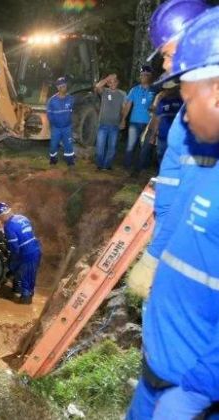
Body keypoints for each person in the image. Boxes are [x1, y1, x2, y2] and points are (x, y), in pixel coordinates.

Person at [126, 8, 219, 419]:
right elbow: (172, 206)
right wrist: (156, 253)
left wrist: (198, 391)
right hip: (161, 368)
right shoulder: (204, 151)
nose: (182, 111)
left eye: (186, 94)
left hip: (194, 386)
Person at [126, 0, 211, 299]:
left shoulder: (204, 119)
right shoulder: (188, 114)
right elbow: (174, 194)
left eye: (167, 54)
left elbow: (191, 199)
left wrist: (154, 256)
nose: (164, 64)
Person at [0, 202, 42, 305]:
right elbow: (24, 233)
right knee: (30, 277)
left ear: (2, 216)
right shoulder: (22, 217)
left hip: (27, 254)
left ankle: (24, 304)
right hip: (36, 249)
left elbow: (14, 248)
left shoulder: (8, 226)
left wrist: (11, 262)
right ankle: (22, 292)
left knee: (25, 280)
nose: (0, 221)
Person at [121, 65, 156, 170]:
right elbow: (127, 105)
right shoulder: (134, 90)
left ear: (150, 76)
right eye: (142, 75)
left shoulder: (154, 90)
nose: (143, 76)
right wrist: (123, 119)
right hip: (134, 122)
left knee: (145, 148)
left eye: (146, 75)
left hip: (148, 124)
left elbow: (158, 107)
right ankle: (126, 167)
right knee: (130, 145)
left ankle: (140, 169)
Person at [94, 73, 127, 170]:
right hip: (103, 124)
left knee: (111, 148)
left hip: (115, 125)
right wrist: (108, 77)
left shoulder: (123, 94)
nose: (112, 83)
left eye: (114, 82)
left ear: (118, 83)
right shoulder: (104, 91)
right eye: (110, 82)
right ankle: (99, 165)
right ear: (108, 83)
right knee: (100, 147)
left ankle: (107, 165)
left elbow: (124, 109)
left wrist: (123, 120)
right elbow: (97, 86)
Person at [46, 77, 76, 166]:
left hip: (67, 127)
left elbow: (73, 111)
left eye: (64, 85)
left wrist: (70, 121)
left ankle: (70, 160)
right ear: (57, 87)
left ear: (66, 86)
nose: (63, 88)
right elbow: (49, 114)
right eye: (60, 86)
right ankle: (53, 158)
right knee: (53, 144)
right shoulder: (52, 100)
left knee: (68, 144)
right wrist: (54, 123)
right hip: (56, 128)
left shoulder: (71, 99)